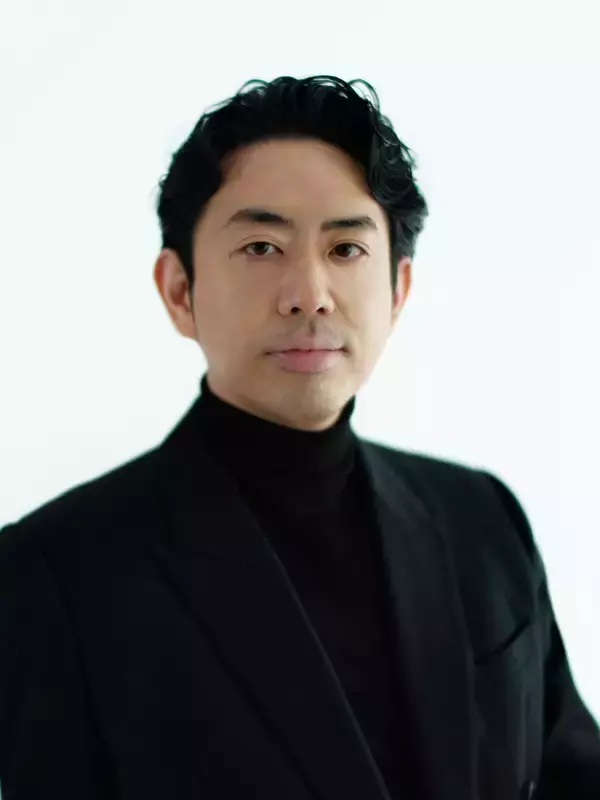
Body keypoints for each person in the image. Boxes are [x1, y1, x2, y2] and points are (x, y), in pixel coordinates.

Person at [0, 74, 598, 800]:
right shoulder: (55, 576)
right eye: (261, 246)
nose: (309, 294)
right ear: (180, 290)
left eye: (346, 249)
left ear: (398, 290)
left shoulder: (482, 518)